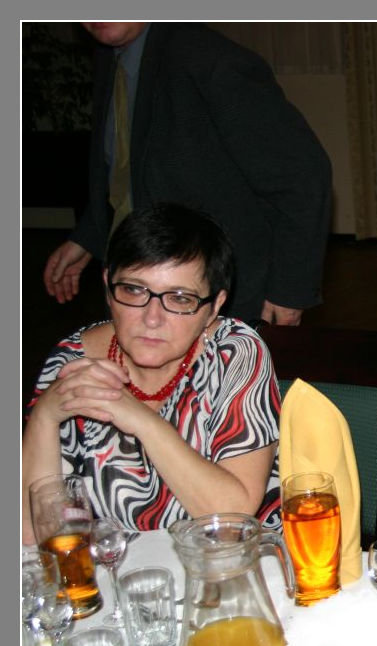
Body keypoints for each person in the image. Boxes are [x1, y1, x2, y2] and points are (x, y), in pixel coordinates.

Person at [42, 22, 332, 326]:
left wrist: (289, 292)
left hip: (220, 298)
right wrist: (89, 236)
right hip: (148, 287)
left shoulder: (211, 61)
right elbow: (127, 167)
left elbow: (303, 177)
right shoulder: (111, 54)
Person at [23, 203, 282, 540]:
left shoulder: (234, 354)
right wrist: (44, 417)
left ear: (214, 306)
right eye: (134, 290)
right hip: (116, 568)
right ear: (108, 286)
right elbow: (31, 536)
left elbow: (233, 518)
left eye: (180, 298)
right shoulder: (72, 360)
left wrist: (140, 419)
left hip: (225, 563)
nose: (152, 318)